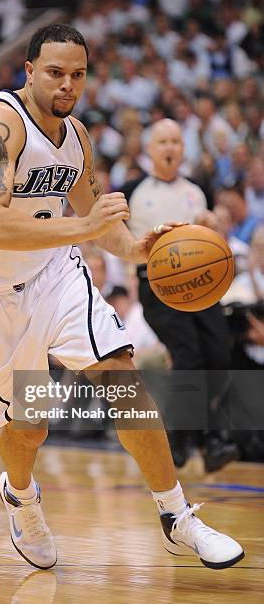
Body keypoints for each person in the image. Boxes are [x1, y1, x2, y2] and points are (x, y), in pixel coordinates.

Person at [0, 24, 243, 571]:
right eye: (55, 72)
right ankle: (22, 496)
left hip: (54, 274)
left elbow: (99, 227)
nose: (67, 84)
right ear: (28, 70)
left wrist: (140, 249)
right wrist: (82, 229)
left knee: (122, 374)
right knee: (29, 428)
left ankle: (177, 516)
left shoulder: (76, 136)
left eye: (77, 74)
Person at [122, 118, 240, 472]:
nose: (170, 147)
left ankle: (191, 437)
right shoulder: (133, 190)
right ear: (149, 149)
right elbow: (118, 241)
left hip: (200, 281)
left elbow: (208, 242)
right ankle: (196, 439)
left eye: (176, 141)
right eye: (163, 142)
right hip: (157, 284)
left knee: (218, 355)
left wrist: (213, 229)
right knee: (189, 356)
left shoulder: (197, 189)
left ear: (183, 148)